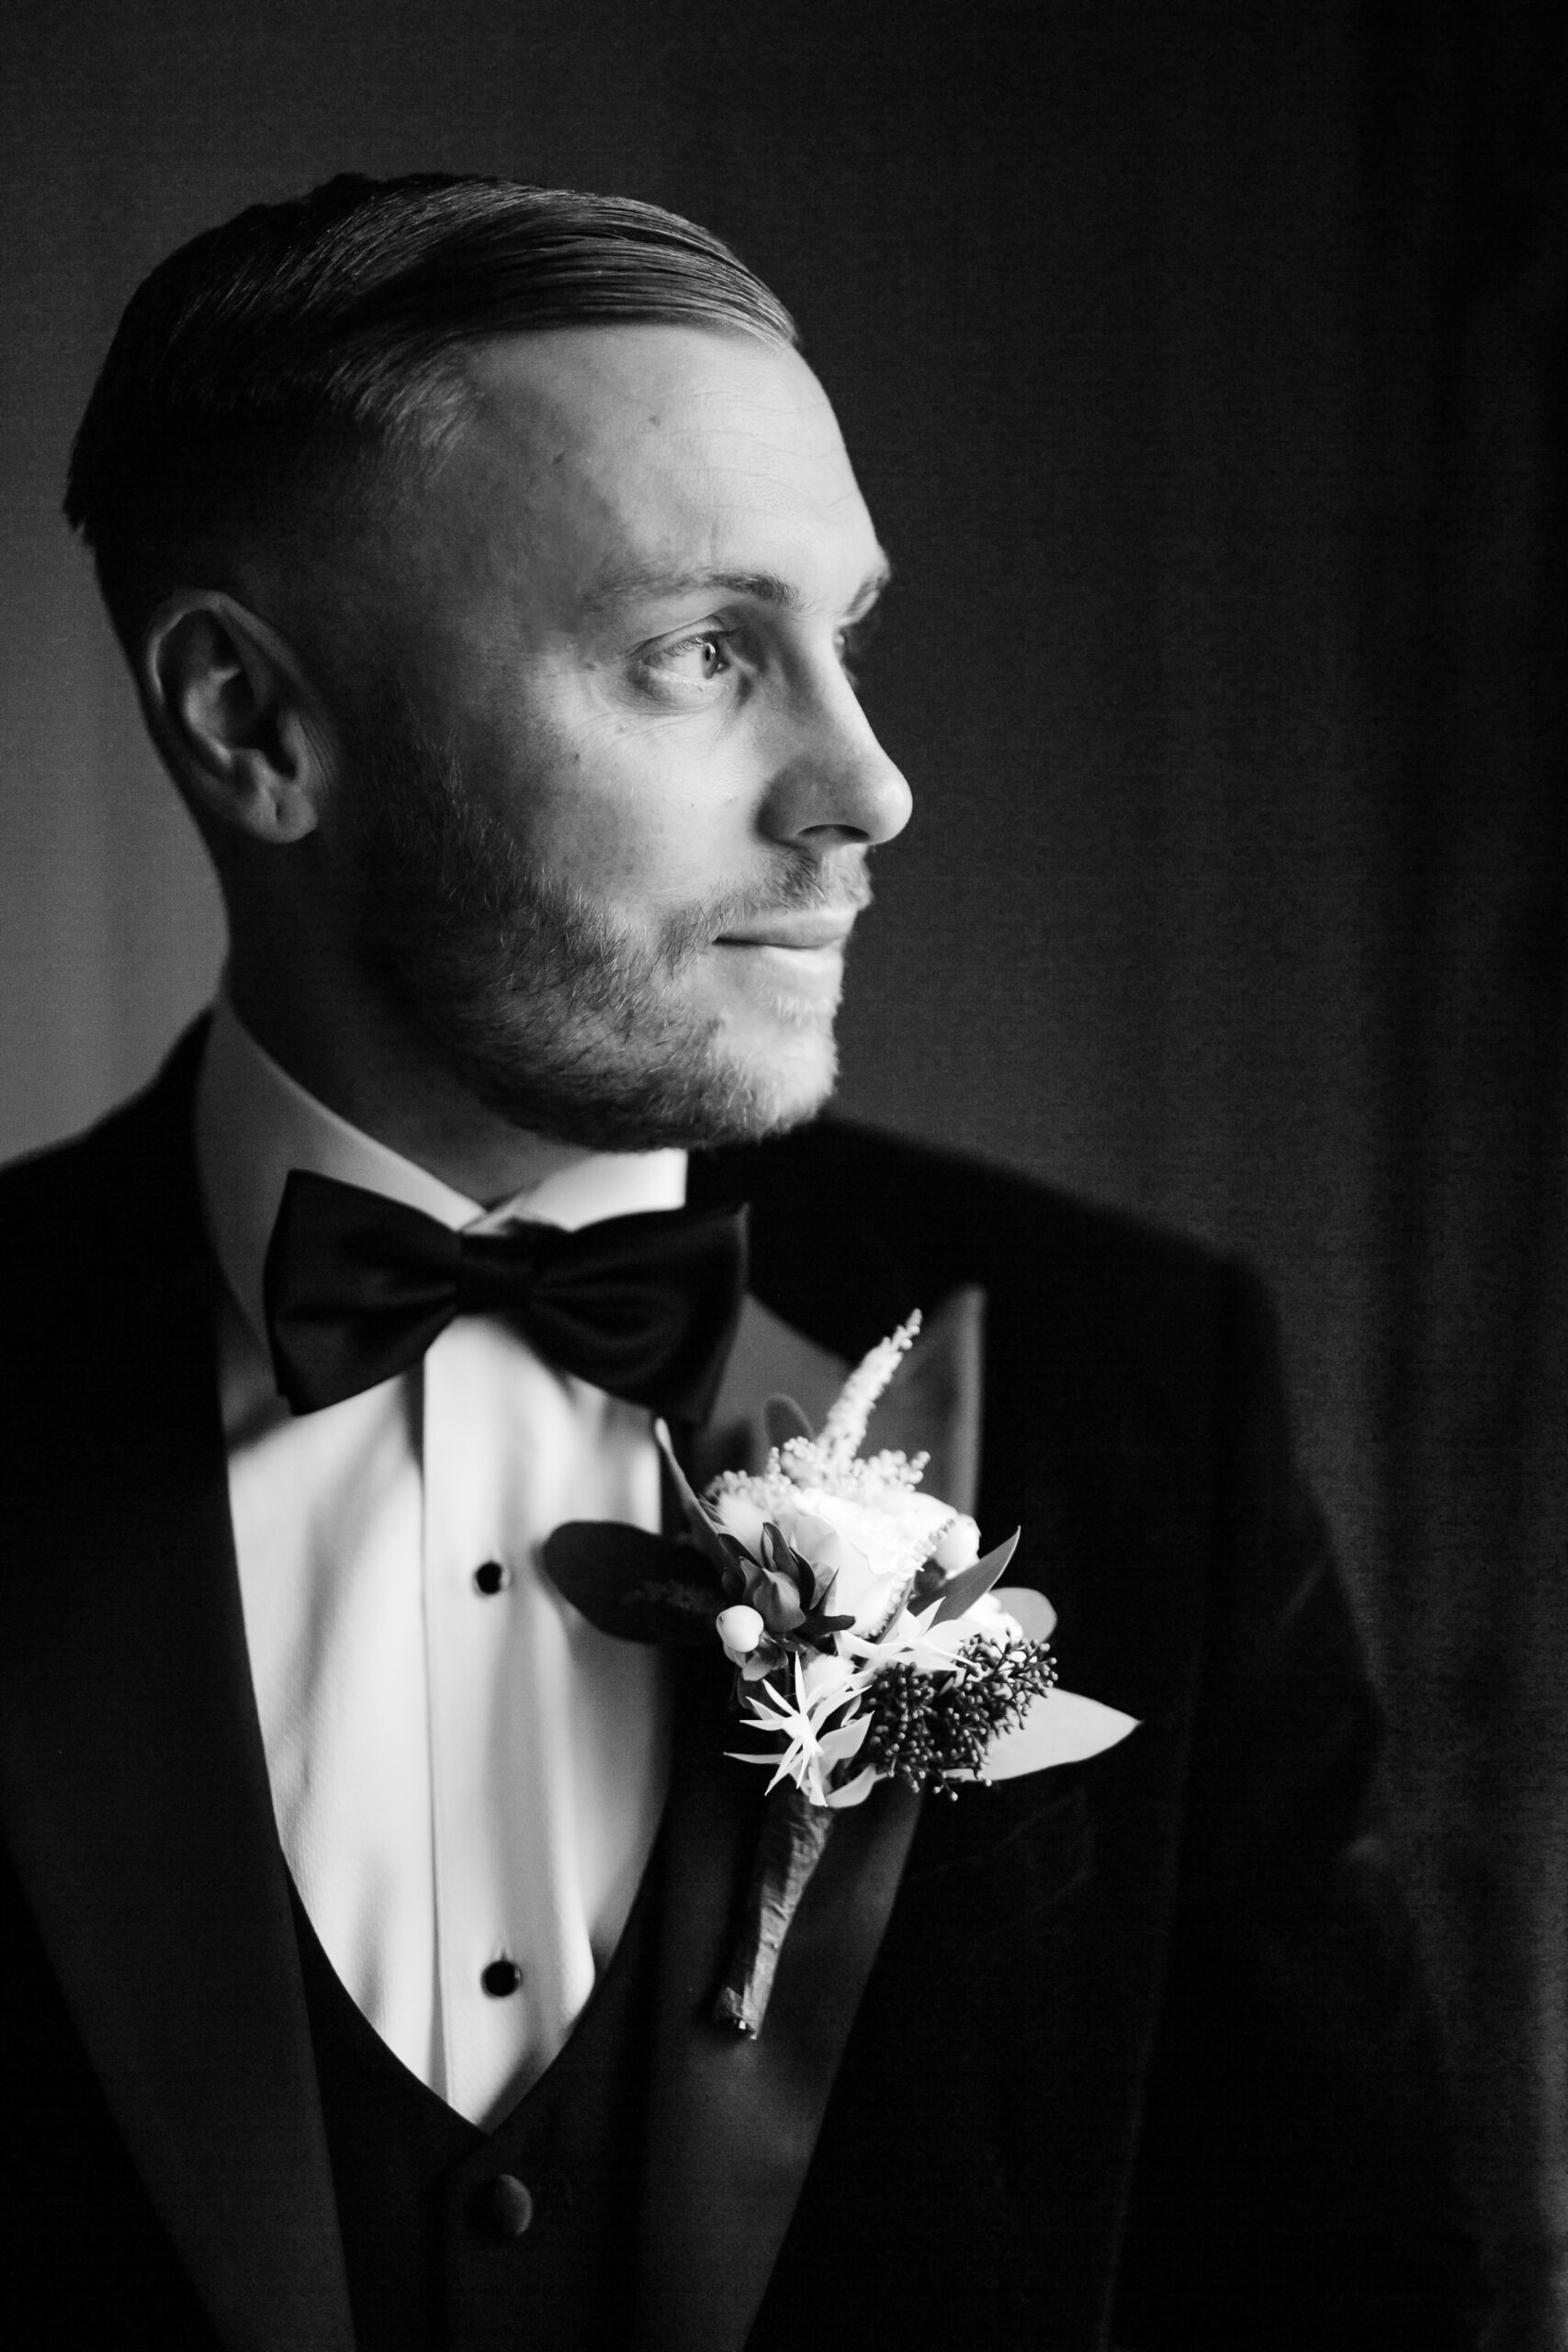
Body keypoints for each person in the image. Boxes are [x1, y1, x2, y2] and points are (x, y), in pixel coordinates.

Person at [0, 173, 1483, 2351]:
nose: (867, 786)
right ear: (251, 723)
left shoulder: (1136, 1380)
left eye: (841, 634)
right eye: (695, 651)